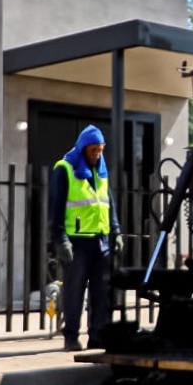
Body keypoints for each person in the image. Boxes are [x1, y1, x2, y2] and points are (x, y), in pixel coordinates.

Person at [49, 125, 123, 352]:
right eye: (93, 150)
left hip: (100, 241)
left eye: (100, 150)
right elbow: (56, 207)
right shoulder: (65, 169)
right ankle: (71, 337)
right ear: (83, 149)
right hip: (76, 242)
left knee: (100, 293)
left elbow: (108, 204)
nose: (97, 154)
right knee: (74, 293)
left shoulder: (100, 171)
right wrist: (60, 239)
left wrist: (116, 230)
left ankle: (97, 336)